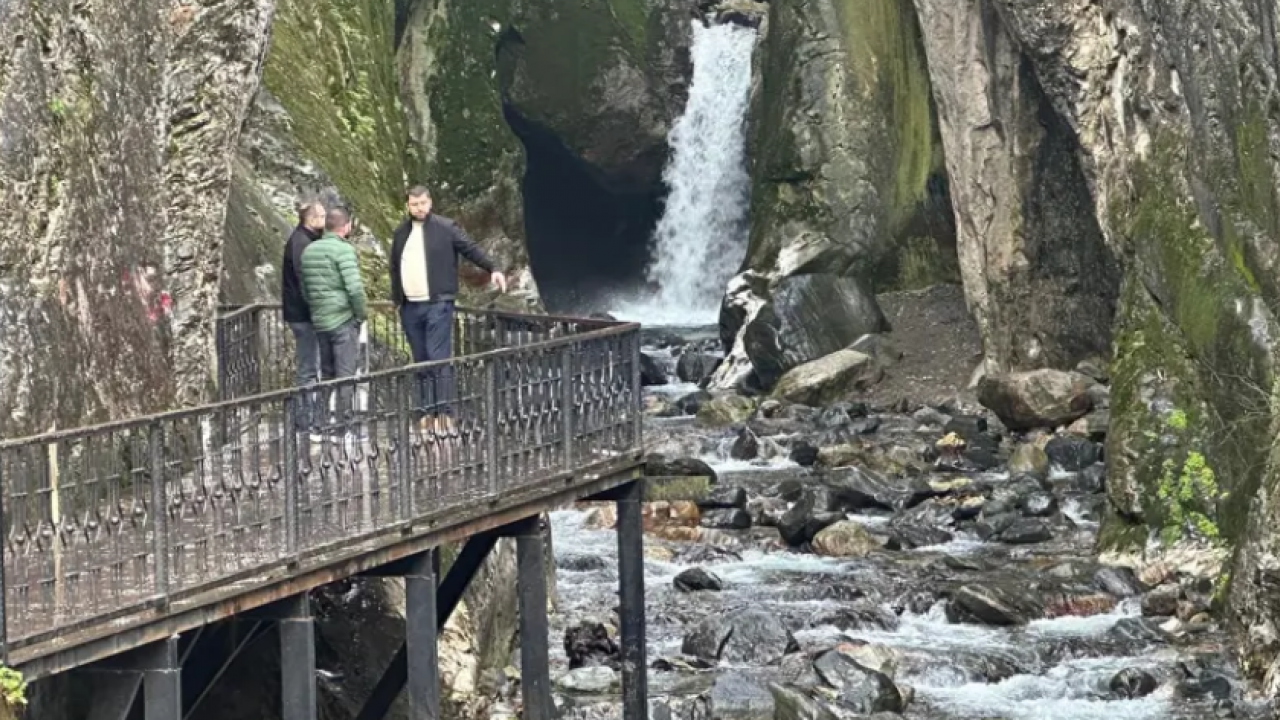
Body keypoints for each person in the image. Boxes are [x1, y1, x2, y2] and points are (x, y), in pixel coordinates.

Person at [390, 186, 507, 433]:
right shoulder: (401, 233)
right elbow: (394, 266)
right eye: (414, 204)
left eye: (422, 203)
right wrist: (396, 299)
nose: (419, 208)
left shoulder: (445, 227)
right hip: (410, 305)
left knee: (437, 356)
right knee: (421, 359)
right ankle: (425, 412)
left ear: (430, 203)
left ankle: (443, 412)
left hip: (438, 302)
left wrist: (493, 268)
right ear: (408, 205)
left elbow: (469, 248)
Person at [300, 207, 368, 436]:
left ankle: (319, 423)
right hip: (342, 320)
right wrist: (361, 314)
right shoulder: (344, 250)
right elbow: (355, 289)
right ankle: (343, 425)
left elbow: (305, 288)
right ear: (345, 226)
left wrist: (317, 309)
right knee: (346, 375)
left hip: (320, 320)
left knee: (326, 373)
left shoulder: (309, 251)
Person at [281, 199, 326, 431]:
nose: (324, 221)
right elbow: (304, 278)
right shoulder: (301, 243)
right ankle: (306, 418)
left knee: (310, 365)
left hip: (301, 313)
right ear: (311, 219)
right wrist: (316, 306)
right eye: (321, 217)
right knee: (309, 367)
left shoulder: (304, 240)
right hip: (303, 315)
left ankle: (309, 416)